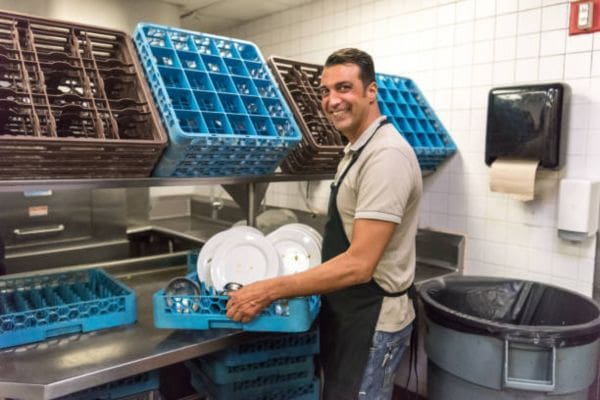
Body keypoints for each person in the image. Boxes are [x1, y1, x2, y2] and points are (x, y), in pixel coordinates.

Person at [226, 48, 423, 400]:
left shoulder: (386, 156)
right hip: (350, 312)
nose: (332, 100)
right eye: (325, 90)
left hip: (372, 320)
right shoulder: (358, 149)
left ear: (371, 91)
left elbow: (360, 265)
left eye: (344, 88)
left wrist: (268, 290)